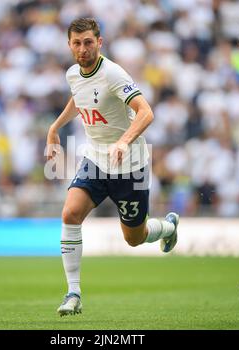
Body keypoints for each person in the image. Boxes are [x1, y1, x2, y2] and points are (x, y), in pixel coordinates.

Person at [46, 18, 179, 317]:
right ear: (69, 45)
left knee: (134, 238)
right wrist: (55, 126)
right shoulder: (73, 74)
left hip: (129, 166)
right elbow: (79, 98)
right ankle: (73, 293)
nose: (83, 49)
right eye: (77, 43)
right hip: (95, 160)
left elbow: (146, 112)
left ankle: (168, 226)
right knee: (70, 213)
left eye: (88, 42)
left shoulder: (113, 74)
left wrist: (123, 141)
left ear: (100, 42)